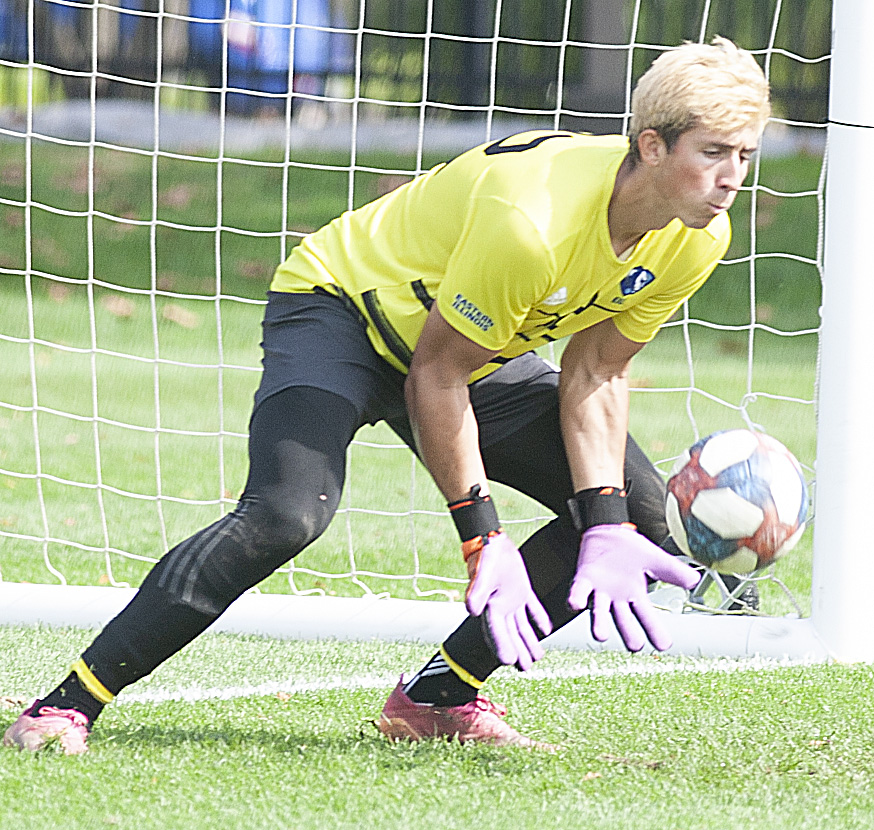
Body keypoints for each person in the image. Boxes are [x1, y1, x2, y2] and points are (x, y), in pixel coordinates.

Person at [4, 36, 770, 755]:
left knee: (638, 514)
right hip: (342, 312)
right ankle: (67, 703)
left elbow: (596, 372)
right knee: (286, 513)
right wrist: (484, 539)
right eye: (713, 153)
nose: (733, 175)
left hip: (466, 345)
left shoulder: (697, 236)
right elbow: (435, 375)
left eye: (744, 154)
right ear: (651, 145)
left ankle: (437, 699)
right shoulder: (530, 221)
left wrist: (603, 522)